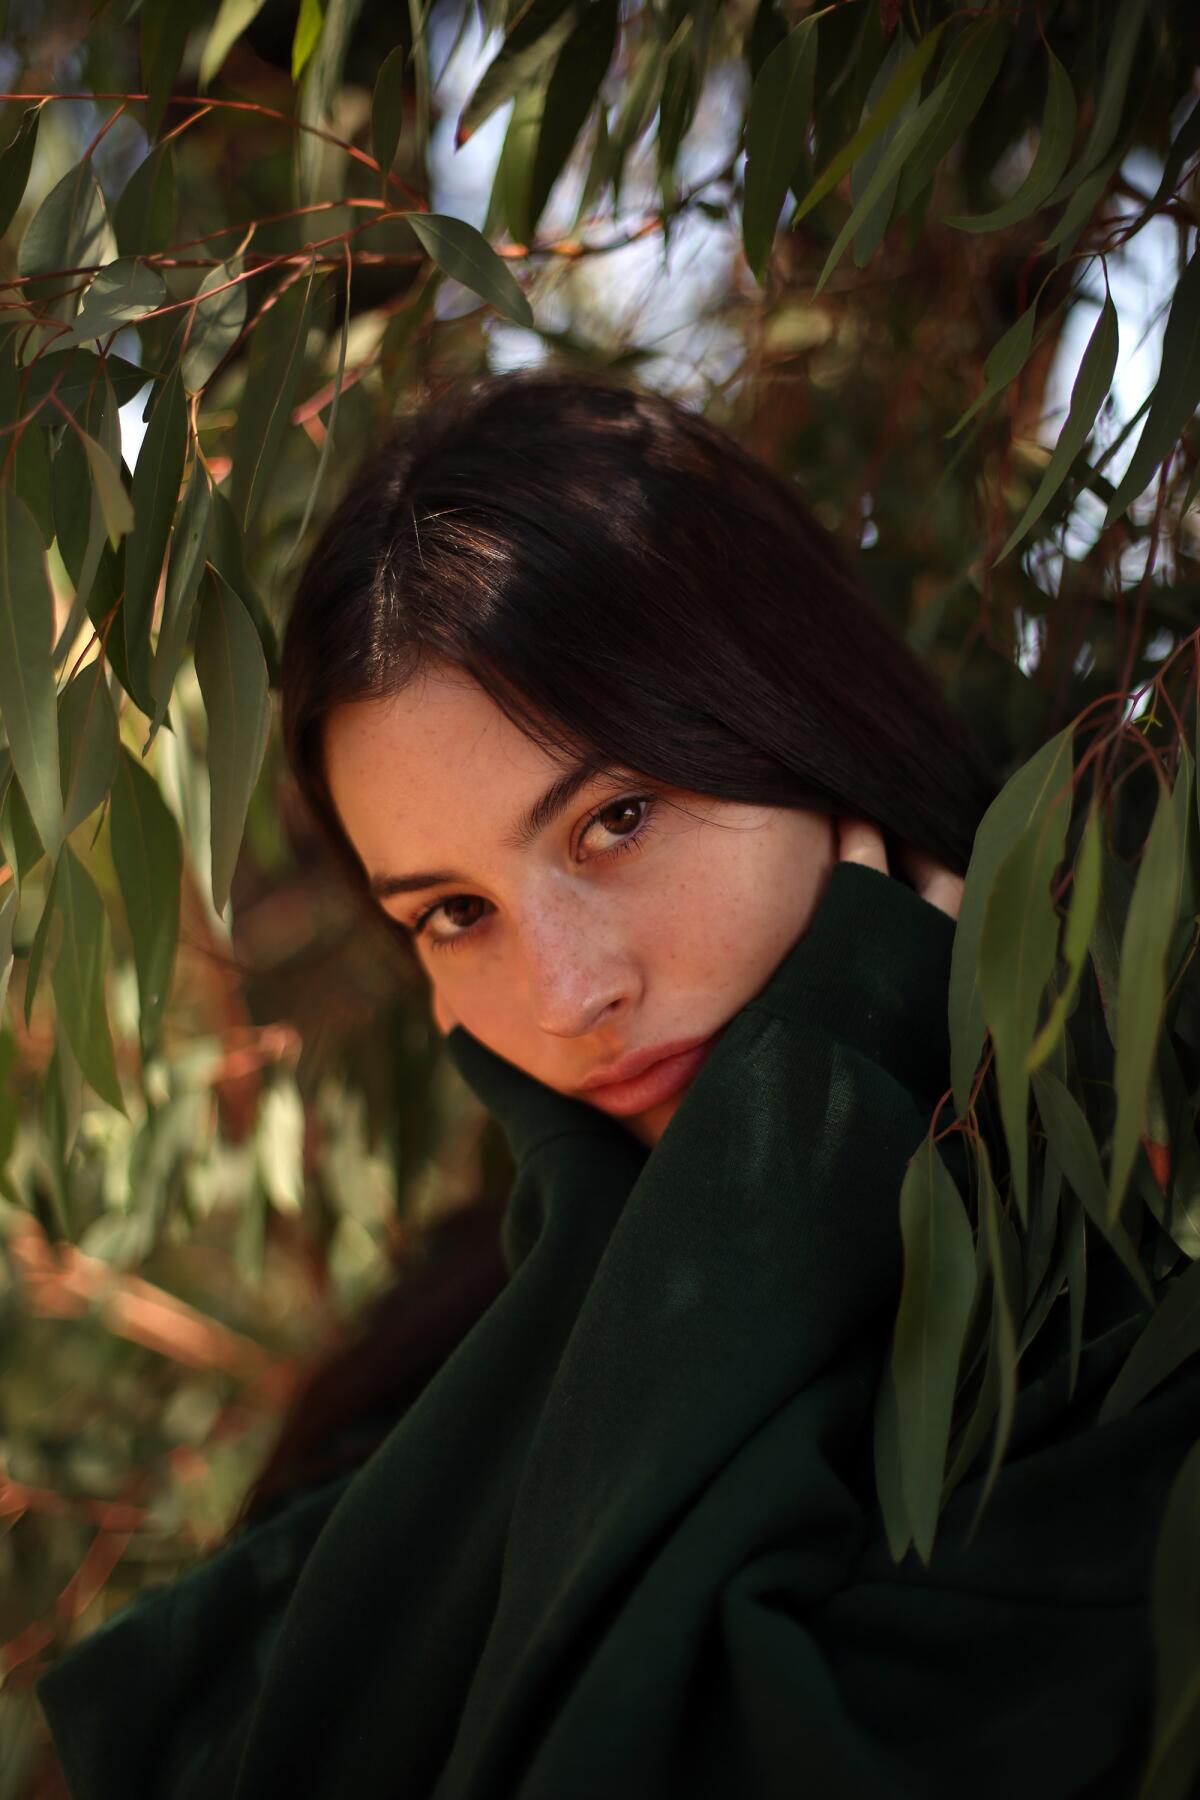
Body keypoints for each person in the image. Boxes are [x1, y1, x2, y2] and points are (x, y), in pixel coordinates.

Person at [36, 371, 1196, 1798]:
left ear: (806, 721)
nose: (569, 996)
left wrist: (801, 1132)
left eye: (616, 819)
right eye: (452, 914)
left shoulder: (1131, 1244)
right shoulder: (441, 1364)